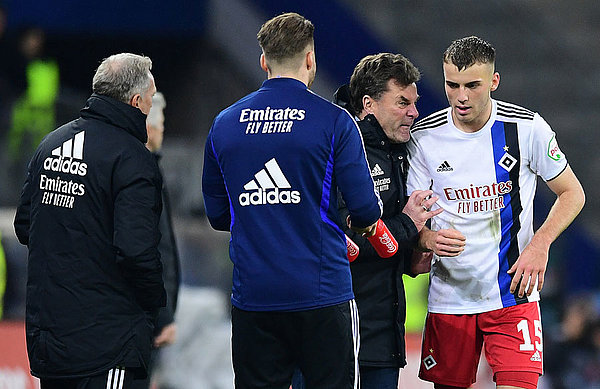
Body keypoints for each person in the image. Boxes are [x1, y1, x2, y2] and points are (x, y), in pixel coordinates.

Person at [202, 12, 382, 389]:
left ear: (264, 60)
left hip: (254, 297)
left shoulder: (224, 123)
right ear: (311, 59)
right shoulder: (334, 121)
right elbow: (366, 209)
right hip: (322, 295)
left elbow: (219, 214)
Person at [407, 36, 586, 389]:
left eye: (472, 85)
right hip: (450, 299)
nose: (461, 96)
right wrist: (426, 238)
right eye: (452, 85)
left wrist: (540, 244)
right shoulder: (424, 137)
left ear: (493, 81)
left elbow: (572, 193)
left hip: (513, 293)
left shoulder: (527, 128)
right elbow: (412, 215)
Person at [14, 53, 166, 389]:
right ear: (136, 101)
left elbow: (25, 225)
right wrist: (155, 302)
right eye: (151, 99)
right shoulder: (132, 159)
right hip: (106, 344)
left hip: (50, 338)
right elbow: (136, 252)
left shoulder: (51, 144)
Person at [334, 53, 463, 389]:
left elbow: (394, 244)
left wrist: (417, 253)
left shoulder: (404, 154)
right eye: (402, 102)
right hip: (341, 336)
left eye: (415, 102)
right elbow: (343, 242)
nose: (414, 112)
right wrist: (407, 224)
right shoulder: (342, 152)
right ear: (369, 104)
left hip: (385, 339)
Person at [130, 92, 181, 389]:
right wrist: (163, 314)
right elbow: (154, 250)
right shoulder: (141, 173)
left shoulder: (150, 168)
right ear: (149, 127)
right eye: (160, 123)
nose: (163, 129)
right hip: (143, 318)